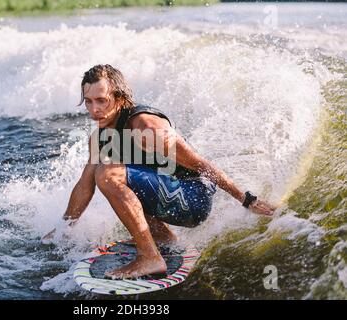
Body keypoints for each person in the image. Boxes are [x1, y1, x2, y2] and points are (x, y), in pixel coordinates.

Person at [42, 64, 276, 279]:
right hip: (169, 192)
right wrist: (64, 228)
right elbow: (85, 185)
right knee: (106, 177)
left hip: (194, 196)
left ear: (120, 98)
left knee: (109, 174)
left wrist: (246, 199)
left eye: (102, 101)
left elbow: (201, 165)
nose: (94, 110)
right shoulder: (101, 138)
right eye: (89, 102)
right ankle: (165, 240)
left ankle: (150, 258)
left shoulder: (147, 128)